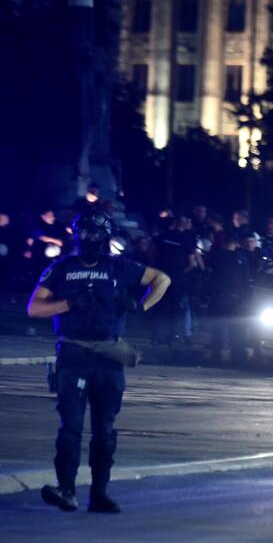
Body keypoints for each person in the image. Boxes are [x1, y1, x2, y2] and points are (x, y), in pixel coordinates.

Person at [27, 211, 170, 513]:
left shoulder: (119, 267)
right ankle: (66, 489)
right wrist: (68, 303)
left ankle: (99, 493)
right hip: (73, 356)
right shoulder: (61, 268)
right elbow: (34, 309)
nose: (88, 239)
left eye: (94, 233)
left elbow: (162, 279)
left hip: (108, 358)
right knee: (71, 428)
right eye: (84, 233)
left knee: (104, 430)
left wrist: (140, 305)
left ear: (105, 237)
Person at [151, 217, 198, 345]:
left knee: (159, 306)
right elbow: (192, 262)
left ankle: (156, 337)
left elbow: (152, 254)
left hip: (160, 276)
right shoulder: (186, 239)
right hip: (177, 278)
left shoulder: (161, 236)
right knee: (175, 309)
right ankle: (170, 338)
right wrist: (182, 273)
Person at [207, 236, 252, 363]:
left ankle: (216, 355)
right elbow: (246, 278)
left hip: (219, 296)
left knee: (217, 327)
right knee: (237, 328)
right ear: (235, 243)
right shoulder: (241, 257)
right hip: (236, 297)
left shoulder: (217, 256)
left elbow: (210, 274)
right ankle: (237, 356)